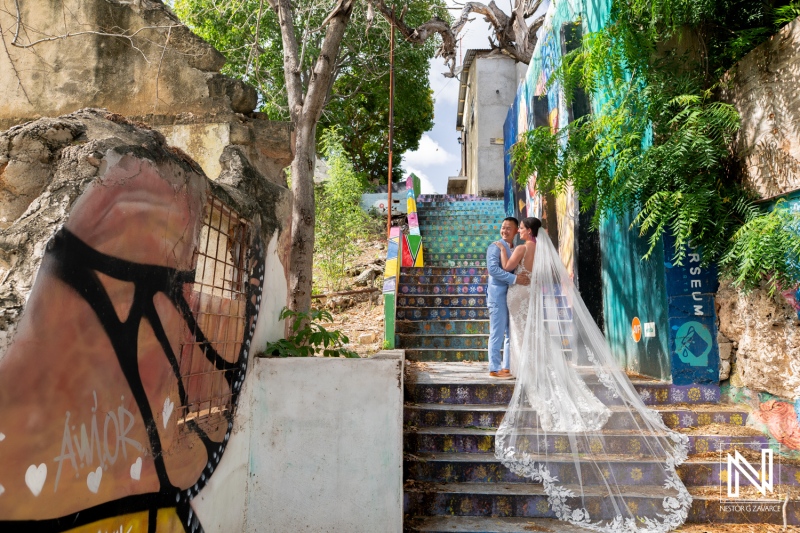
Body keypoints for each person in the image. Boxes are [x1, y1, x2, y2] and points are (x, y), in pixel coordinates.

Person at [493, 217, 692, 532]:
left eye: (520, 228)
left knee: (521, 338)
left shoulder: (519, 248)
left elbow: (505, 267)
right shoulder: (543, 250)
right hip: (533, 296)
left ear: (528, 231)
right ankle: (537, 371)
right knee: (536, 341)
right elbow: (548, 278)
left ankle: (530, 375)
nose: (517, 231)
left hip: (519, 294)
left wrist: (499, 250)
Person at [486, 217, 529, 379]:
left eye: (508, 228)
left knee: (512, 333)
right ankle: (494, 368)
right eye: (503, 227)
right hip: (497, 296)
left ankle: (508, 367)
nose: (504, 231)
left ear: (517, 230)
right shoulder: (495, 247)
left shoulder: (517, 248)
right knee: (497, 332)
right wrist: (516, 279)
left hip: (513, 296)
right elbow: (493, 270)